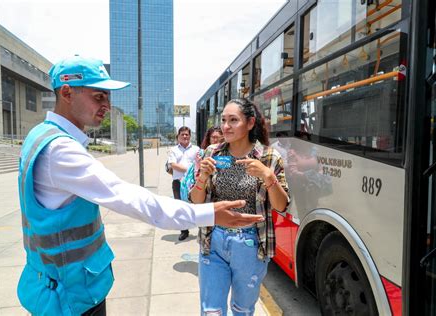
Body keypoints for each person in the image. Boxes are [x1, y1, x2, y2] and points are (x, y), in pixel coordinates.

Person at [17, 56, 264, 316]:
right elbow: (132, 199)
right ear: (67, 92)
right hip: (70, 295)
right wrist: (210, 213)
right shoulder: (60, 150)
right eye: (99, 96)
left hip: (53, 282)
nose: (107, 105)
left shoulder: (40, 135)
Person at [190, 98, 290, 315]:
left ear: (250, 123)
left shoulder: (269, 157)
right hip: (213, 240)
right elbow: (196, 201)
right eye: (224, 120)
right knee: (211, 311)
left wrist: (267, 175)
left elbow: (281, 206)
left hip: (250, 244)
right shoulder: (212, 153)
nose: (226, 126)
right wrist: (203, 176)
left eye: (233, 120)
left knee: (242, 310)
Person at [167, 126, 199, 241]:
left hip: (193, 183)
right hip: (178, 182)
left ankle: (201, 229)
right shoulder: (173, 150)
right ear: (178, 137)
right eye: (182, 134)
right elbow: (173, 165)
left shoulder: (196, 149)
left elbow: (199, 163)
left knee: (196, 206)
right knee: (180, 207)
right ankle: (184, 231)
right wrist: (189, 170)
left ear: (190, 136)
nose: (185, 136)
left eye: (187, 134)